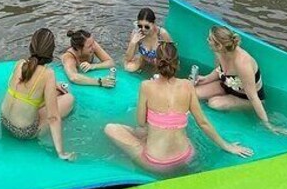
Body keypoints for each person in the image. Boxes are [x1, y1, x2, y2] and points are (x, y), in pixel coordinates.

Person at [105, 42, 252, 173]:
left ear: (156, 62)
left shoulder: (146, 86)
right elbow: (203, 123)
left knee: (111, 128)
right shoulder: (187, 86)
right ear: (178, 63)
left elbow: (141, 122)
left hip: (156, 162)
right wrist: (227, 146)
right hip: (186, 156)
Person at [195, 26, 287, 135]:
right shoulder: (218, 52)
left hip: (246, 98)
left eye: (210, 39)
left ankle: (239, 110)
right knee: (193, 93)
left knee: (214, 103)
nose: (207, 41)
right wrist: (206, 78)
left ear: (219, 45)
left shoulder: (242, 64)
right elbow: (219, 69)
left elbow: (253, 97)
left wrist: (268, 125)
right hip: (226, 85)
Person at [0, 29, 76, 160]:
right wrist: (61, 153)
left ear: (31, 46)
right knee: (69, 98)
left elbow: (27, 87)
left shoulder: (20, 64)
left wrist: (53, 87)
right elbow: (53, 118)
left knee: (37, 99)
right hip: (23, 132)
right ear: (51, 51)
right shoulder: (48, 74)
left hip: (4, 122)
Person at [124, 8, 173, 72]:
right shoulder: (137, 33)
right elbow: (128, 58)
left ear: (154, 23)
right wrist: (133, 42)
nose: (143, 29)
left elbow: (172, 56)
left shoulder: (162, 34)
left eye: (147, 27)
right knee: (128, 68)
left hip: (160, 62)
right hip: (143, 59)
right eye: (140, 26)